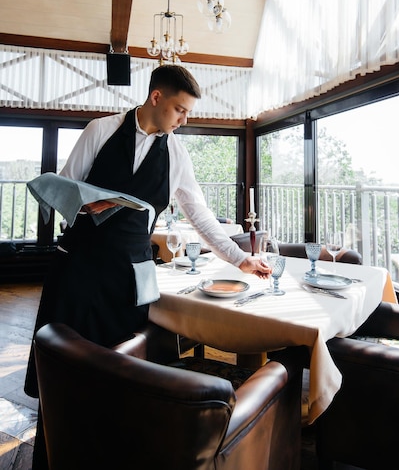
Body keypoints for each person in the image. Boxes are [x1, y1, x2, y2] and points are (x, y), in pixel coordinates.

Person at [25, 64, 270, 469]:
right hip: (78, 271)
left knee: (122, 378)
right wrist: (83, 203)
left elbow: (200, 216)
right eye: (180, 109)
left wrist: (241, 259)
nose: (184, 119)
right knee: (63, 377)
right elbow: (62, 188)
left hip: (130, 278)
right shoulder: (99, 130)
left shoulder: (177, 153)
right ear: (156, 97)